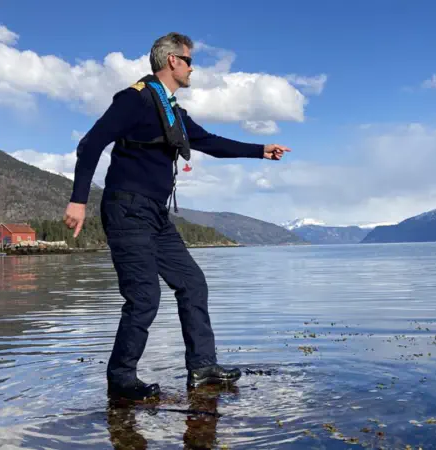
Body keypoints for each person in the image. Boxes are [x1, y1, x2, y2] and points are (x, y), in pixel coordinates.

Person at [63, 32, 290, 401]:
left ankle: (202, 367)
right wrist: (78, 200)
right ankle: (121, 380)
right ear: (173, 61)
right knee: (144, 296)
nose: (192, 70)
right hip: (126, 209)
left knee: (192, 282)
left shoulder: (174, 112)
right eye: (189, 62)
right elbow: (90, 143)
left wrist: (260, 150)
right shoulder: (134, 100)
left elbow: (212, 143)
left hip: (155, 214)